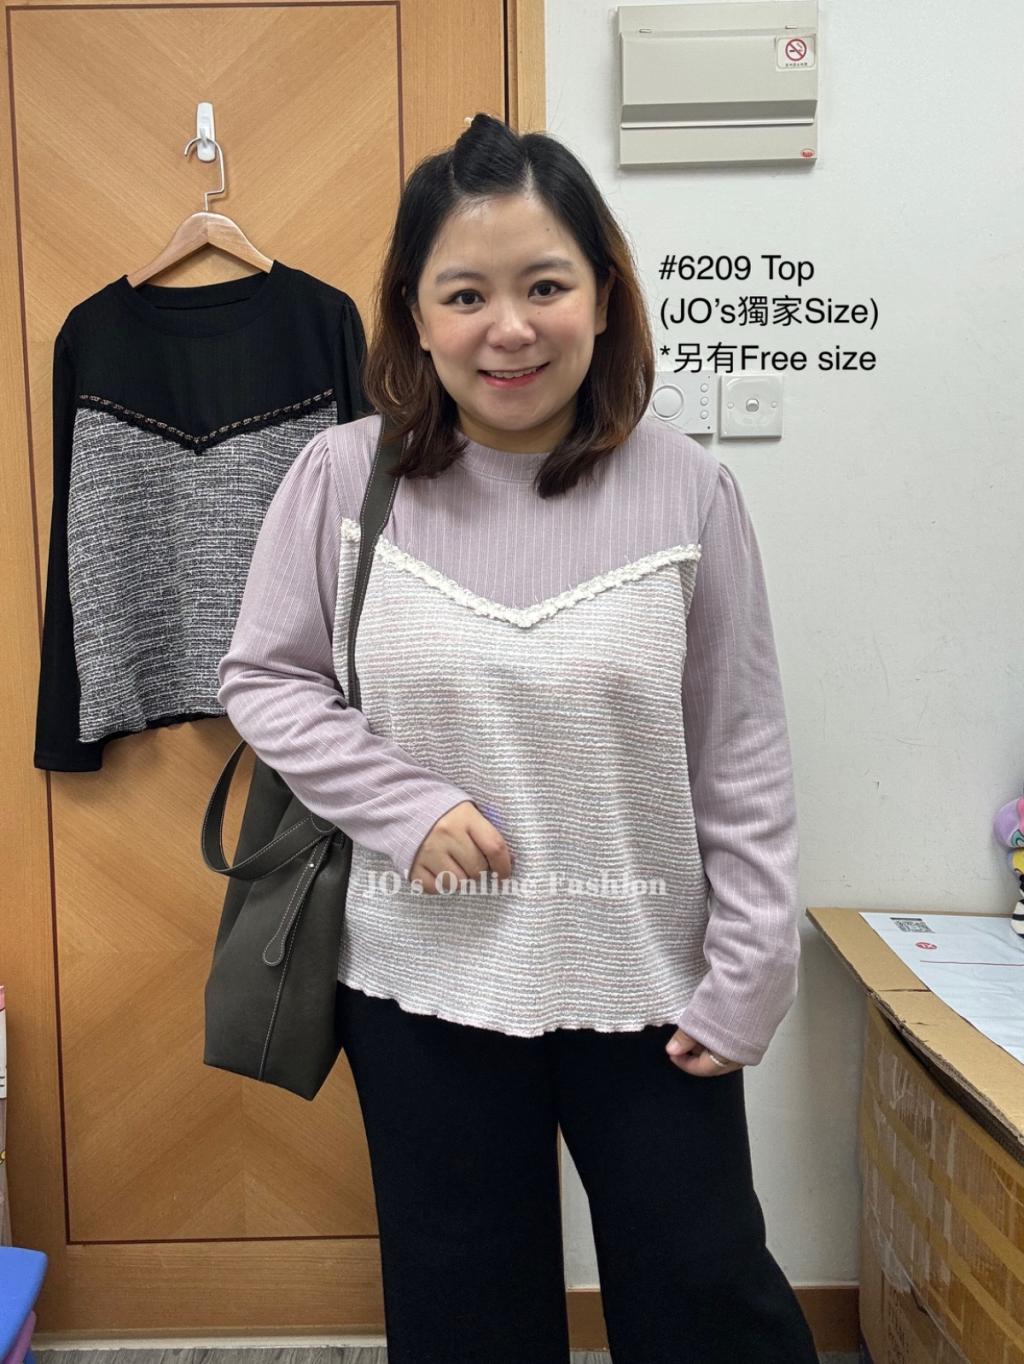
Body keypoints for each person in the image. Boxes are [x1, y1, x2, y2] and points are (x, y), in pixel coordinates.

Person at [217, 112, 819, 1364]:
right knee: (464, 1314)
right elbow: (265, 680)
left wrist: (754, 962)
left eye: (545, 285)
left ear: (602, 295)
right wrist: (406, 806)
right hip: (422, 982)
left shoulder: (689, 489)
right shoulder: (339, 478)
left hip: (655, 983)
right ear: (416, 312)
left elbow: (740, 750)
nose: (510, 327)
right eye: (466, 294)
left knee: (708, 1300)